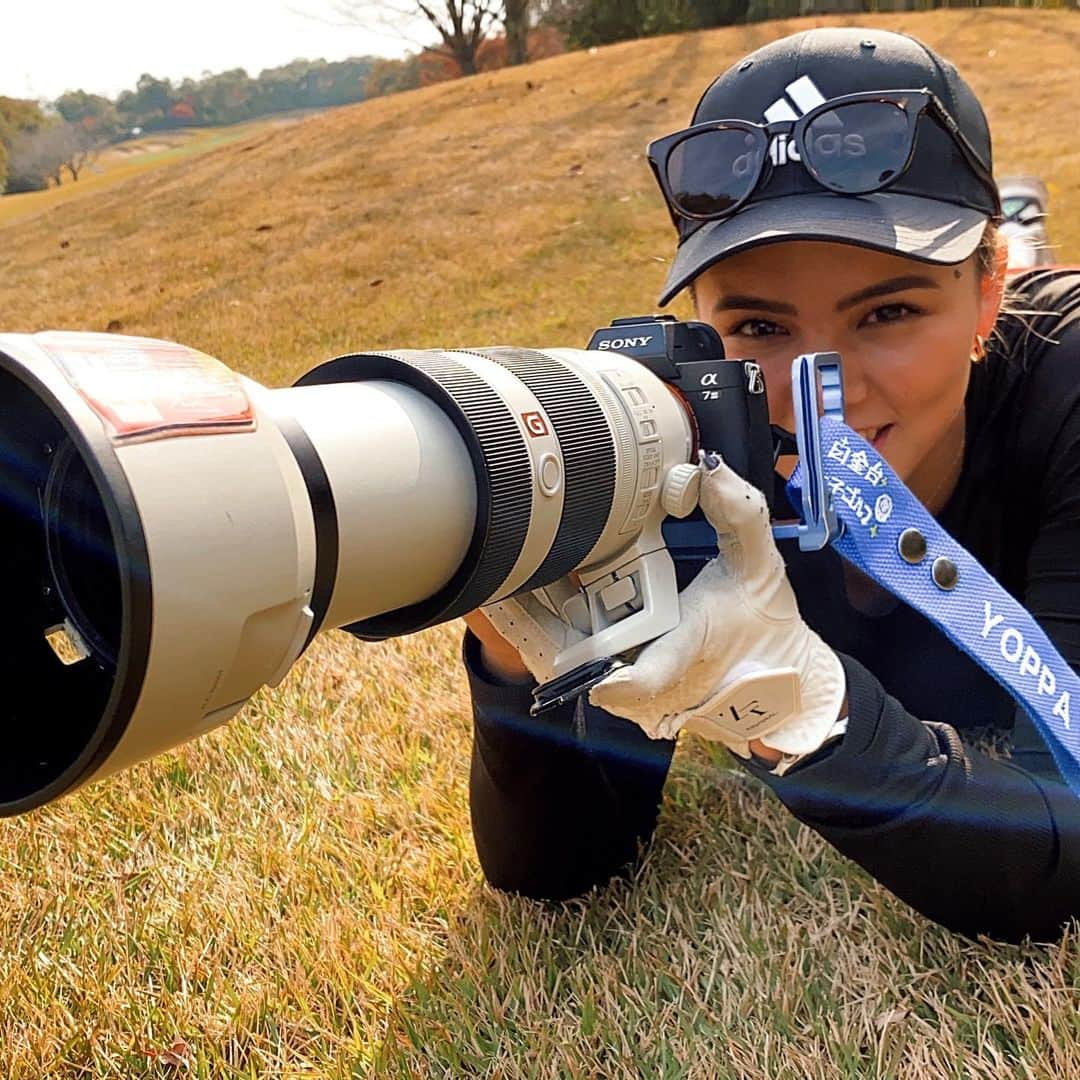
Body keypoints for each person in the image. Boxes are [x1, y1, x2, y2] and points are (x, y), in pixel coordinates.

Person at [461, 26, 1080, 943]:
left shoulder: (1065, 396)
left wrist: (805, 710)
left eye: (891, 309)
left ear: (981, 293)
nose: (825, 388)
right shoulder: (679, 436)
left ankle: (1017, 234)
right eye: (758, 323)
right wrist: (513, 658)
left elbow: (1059, 867)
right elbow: (559, 871)